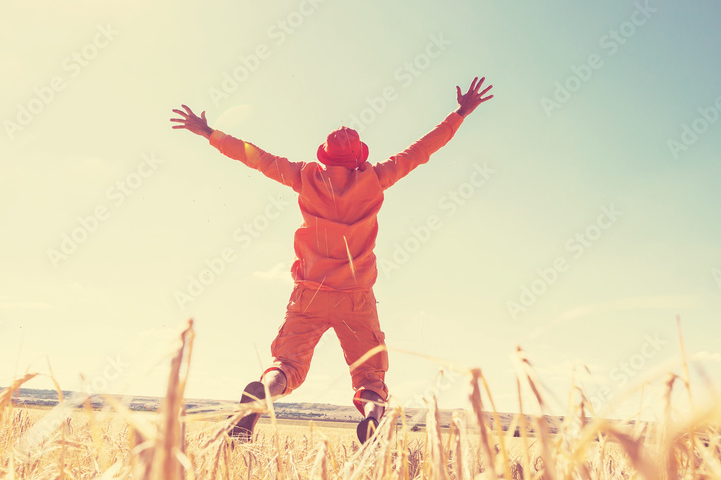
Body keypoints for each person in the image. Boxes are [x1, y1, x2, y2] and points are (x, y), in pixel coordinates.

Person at [170, 76, 494, 443]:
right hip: (355, 297)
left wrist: (208, 132)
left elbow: (256, 158)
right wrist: (460, 113)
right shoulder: (376, 179)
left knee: (286, 366)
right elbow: (420, 151)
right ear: (359, 158)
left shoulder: (305, 176)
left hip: (309, 293)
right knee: (370, 377)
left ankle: (262, 395)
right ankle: (371, 417)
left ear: (325, 155)